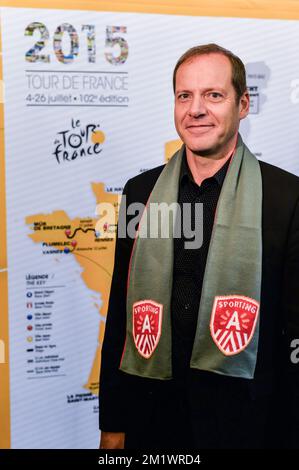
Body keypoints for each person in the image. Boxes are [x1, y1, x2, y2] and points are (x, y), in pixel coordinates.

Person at [99, 44, 299, 449]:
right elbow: (121, 313)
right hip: (153, 417)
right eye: (184, 96)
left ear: (243, 104)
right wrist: (114, 420)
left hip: (248, 422)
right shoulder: (142, 193)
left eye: (214, 95)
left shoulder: (285, 197)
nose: (196, 109)